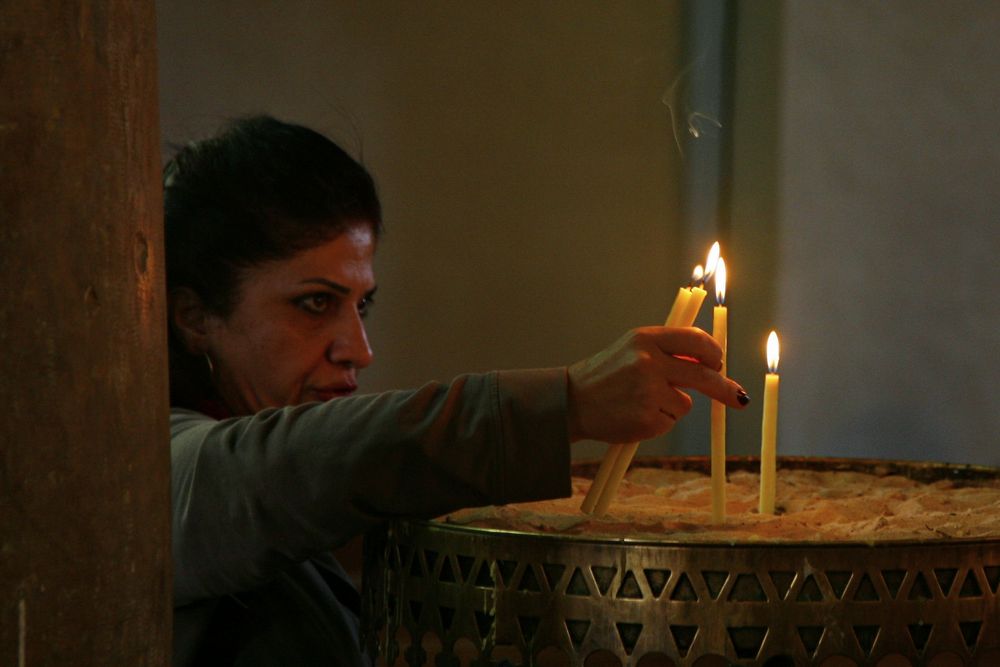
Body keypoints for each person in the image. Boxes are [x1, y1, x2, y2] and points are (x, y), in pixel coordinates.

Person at [165, 115, 749, 665]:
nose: (359, 350)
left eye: (360, 305)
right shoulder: (148, 475)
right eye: (314, 303)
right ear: (194, 316)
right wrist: (568, 402)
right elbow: (301, 464)